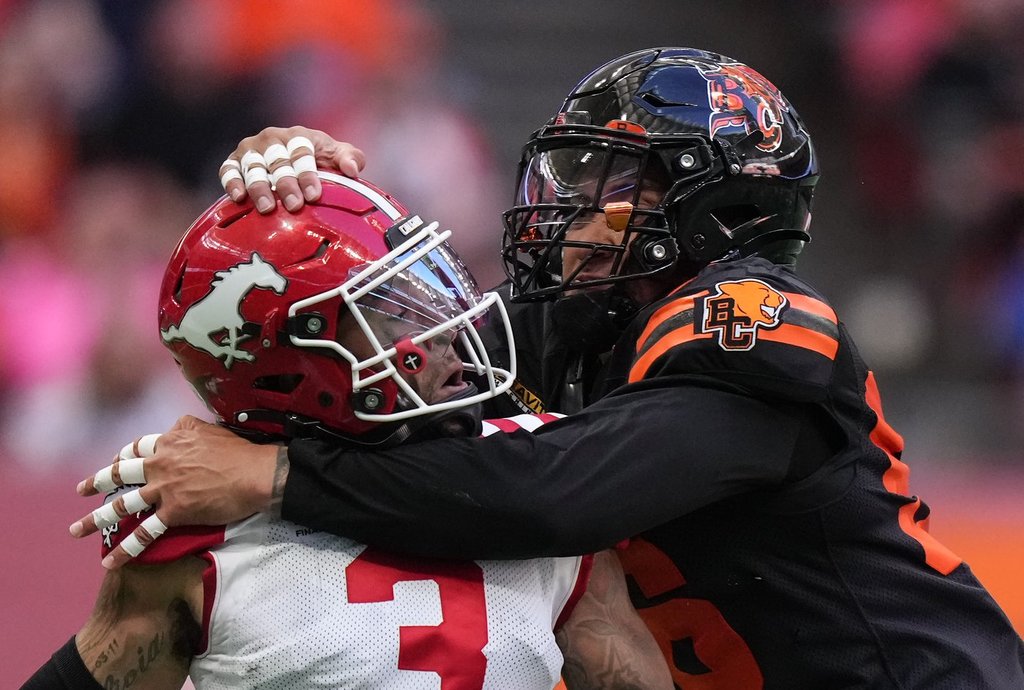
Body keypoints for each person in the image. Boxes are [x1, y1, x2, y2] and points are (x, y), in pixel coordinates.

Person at [71, 48, 1024, 688]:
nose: (567, 210)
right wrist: (311, 204)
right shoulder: (580, 323)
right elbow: (391, 364)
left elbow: (554, 492)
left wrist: (275, 479)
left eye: (610, 185)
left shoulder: (759, 323)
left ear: (717, 210)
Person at [26, 173, 672, 689]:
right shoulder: (195, 535)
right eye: (394, 312)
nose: (448, 331)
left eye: (430, 293)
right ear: (290, 360)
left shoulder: (534, 470)